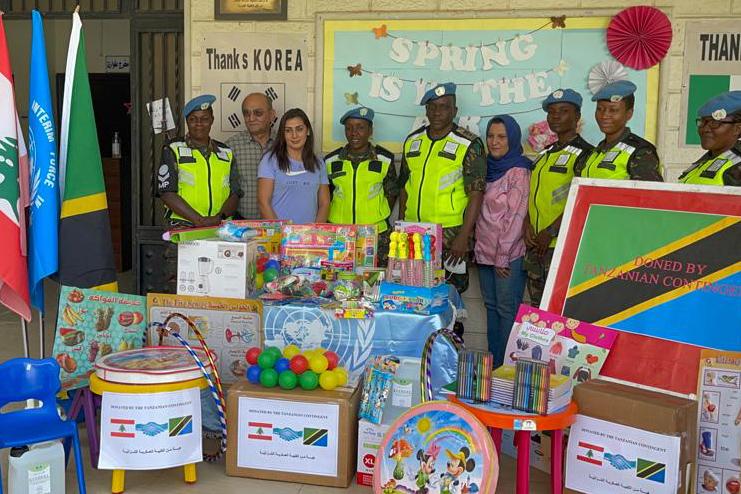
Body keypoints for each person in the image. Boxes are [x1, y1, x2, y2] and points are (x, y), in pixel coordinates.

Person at [397, 82, 486, 294]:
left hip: (451, 234)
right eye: (432, 107)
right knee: (412, 291)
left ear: (455, 111)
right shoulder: (413, 140)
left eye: (444, 107)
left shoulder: (468, 143)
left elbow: (476, 194)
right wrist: (401, 226)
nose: (437, 112)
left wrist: (464, 236)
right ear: (426, 110)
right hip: (414, 233)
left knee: (450, 294)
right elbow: (404, 187)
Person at [524, 89, 594, 306]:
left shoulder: (586, 154)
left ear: (577, 116)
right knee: (538, 309)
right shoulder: (545, 153)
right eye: (551, 111)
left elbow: (583, 199)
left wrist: (552, 231)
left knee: (560, 309)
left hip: (561, 246)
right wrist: (527, 224)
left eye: (563, 111)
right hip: (537, 244)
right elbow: (534, 194)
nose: (555, 116)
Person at [474, 115, 531, 367]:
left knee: (507, 309)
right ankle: (493, 366)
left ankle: (506, 370)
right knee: (491, 307)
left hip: (507, 255)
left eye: (501, 136)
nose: (494, 142)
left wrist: (503, 255)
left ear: (513, 138)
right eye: (490, 136)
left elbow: (516, 216)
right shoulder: (485, 168)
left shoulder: (518, 170)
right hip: (484, 252)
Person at [325, 106, 398, 266]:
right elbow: (326, 196)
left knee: (375, 278)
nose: (354, 133)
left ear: (370, 130)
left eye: (360, 127)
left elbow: (392, 193)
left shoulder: (384, 159)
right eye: (349, 128)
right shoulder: (332, 161)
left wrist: (377, 215)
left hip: (376, 234)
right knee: (339, 277)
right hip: (340, 234)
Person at [157, 94, 240, 227]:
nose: (199, 124)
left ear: (212, 120)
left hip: (220, 226)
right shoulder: (173, 148)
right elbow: (166, 193)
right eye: (193, 119)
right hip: (184, 225)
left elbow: (235, 193)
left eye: (204, 119)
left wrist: (219, 218)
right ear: (187, 121)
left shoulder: (226, 152)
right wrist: (199, 220)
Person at [576, 80, 663, 182]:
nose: (604, 116)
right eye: (600, 109)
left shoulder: (641, 152)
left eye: (613, 110)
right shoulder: (595, 152)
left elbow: (649, 191)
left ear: (629, 114)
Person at [257, 108, 330, 224]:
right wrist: (281, 231)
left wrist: (315, 230)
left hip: (309, 234)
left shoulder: (318, 163)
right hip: (279, 233)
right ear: (283, 134)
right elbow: (263, 203)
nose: (294, 135)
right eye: (288, 130)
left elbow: (324, 203)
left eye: (299, 129)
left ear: (308, 131)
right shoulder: (270, 161)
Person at [226, 92, 277, 218]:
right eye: (246, 113)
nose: (251, 118)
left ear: (272, 115)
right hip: (242, 223)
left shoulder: (283, 144)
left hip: (279, 222)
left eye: (258, 113)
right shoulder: (232, 146)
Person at [679, 90, 741, 186]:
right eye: (702, 122)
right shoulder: (703, 162)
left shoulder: (737, 168)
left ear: (737, 129)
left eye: (714, 123)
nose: (705, 129)